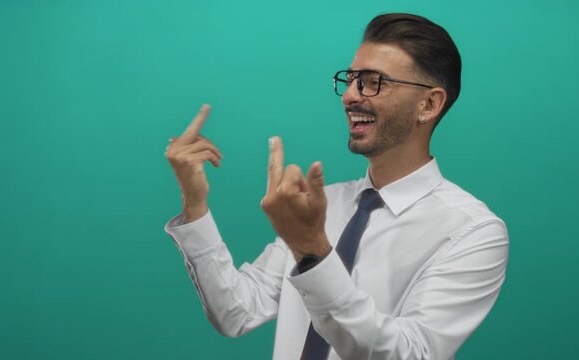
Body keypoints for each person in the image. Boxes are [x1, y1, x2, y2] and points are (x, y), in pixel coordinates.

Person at [164, 13, 509, 360]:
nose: (349, 96)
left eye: (374, 81)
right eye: (352, 79)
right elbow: (236, 311)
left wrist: (312, 250)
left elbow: (409, 354)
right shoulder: (321, 207)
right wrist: (195, 203)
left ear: (429, 104)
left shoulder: (472, 232)